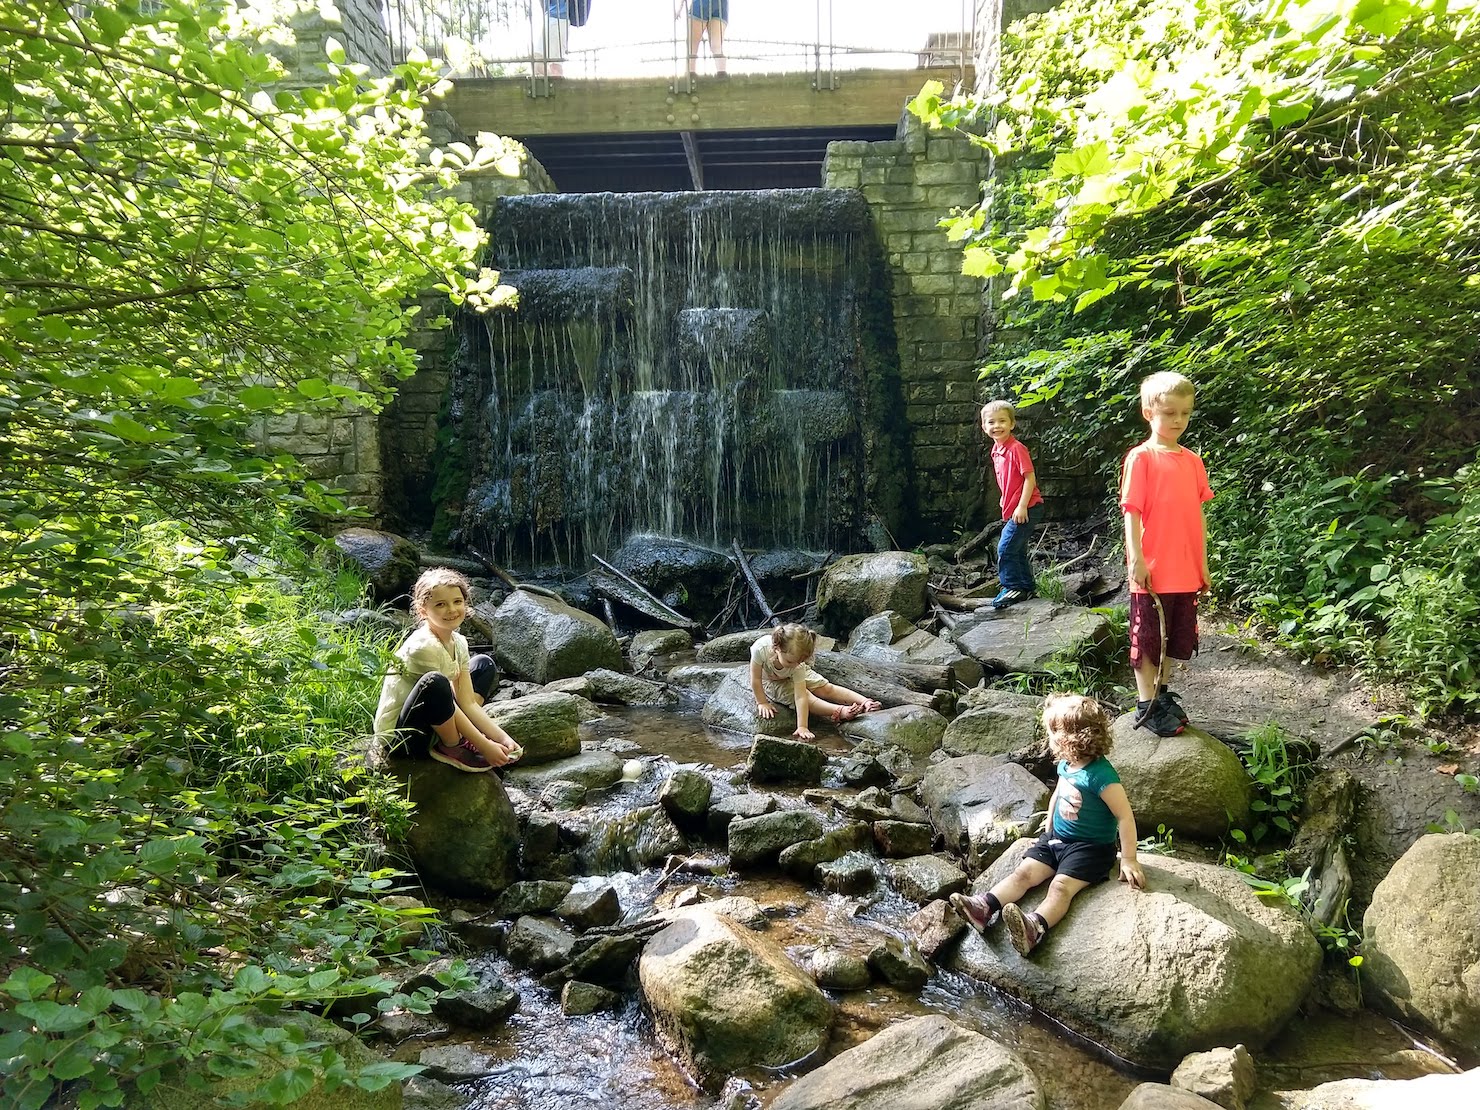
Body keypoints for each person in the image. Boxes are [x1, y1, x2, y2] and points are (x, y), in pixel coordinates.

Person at [950, 694, 1144, 956]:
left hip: (1090, 849)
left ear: (1069, 739)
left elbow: (1124, 815)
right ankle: (984, 907)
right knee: (1023, 873)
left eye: (1053, 732)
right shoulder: (1067, 765)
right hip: (1057, 840)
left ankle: (1034, 927)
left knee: (1060, 887)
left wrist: (1129, 859)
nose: (1049, 739)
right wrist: (1049, 823)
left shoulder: (1102, 776)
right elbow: (1059, 792)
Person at [1120, 371, 1213, 737]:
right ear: (1148, 413)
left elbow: (1197, 514)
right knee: (1148, 638)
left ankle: (1160, 693)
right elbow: (1132, 512)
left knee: (1174, 637)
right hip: (1153, 568)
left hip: (1185, 567)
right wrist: (1137, 560)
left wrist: (1202, 562)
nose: (1178, 421)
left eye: (1185, 414)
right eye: (1170, 413)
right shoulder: (1141, 458)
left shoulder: (1192, 461)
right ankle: (1147, 702)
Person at [373, 567, 523, 773]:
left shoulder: (458, 642)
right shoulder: (424, 647)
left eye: (457, 602)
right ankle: (452, 745)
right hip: (405, 736)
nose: (452, 610)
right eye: (441, 604)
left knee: (483, 664)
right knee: (435, 682)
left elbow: (467, 702)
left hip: (437, 717)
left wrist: (502, 738)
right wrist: (484, 745)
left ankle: (458, 734)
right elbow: (450, 702)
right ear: (423, 610)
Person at [750, 623, 881, 741]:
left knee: (825, 688)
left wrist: (803, 726)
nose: (795, 665)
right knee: (809, 697)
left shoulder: (797, 664)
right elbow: (755, 679)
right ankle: (840, 711)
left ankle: (865, 702)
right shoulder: (760, 649)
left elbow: (799, 696)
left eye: (800, 661)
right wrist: (762, 702)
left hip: (792, 673)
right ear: (777, 649)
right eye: (790, 661)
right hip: (771, 679)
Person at [982, 400, 1045, 610]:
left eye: (1002, 421)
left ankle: (1012, 586)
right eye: (991, 422)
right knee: (1017, 549)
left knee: (1005, 548)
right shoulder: (996, 449)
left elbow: (1029, 478)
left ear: (1012, 424)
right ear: (984, 427)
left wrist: (1021, 506)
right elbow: (1006, 478)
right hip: (1014, 507)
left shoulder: (1016, 448)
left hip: (1029, 506)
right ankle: (1027, 586)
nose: (996, 426)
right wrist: (1005, 499)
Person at [676, 0, 728, 79]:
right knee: (717, 46)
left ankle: (691, 74)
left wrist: (679, 8)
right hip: (721, 4)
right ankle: (722, 74)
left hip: (701, 3)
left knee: (692, 44)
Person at [537, 0, 571, 78]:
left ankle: (556, 83)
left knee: (538, 63)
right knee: (555, 65)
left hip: (555, 18)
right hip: (559, 18)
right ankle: (559, 85)